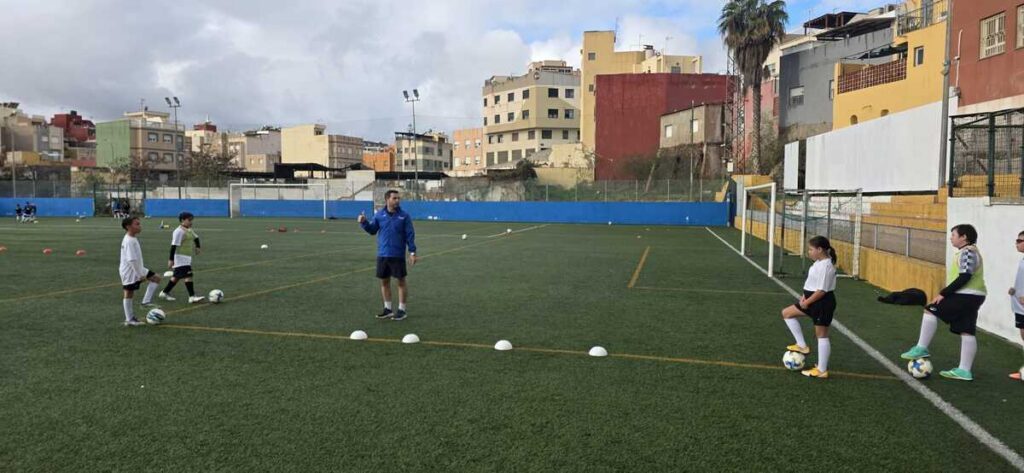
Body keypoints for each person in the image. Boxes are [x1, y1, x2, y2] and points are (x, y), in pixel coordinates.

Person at [901, 224, 987, 381]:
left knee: (930, 310)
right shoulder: (967, 252)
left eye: (953, 235)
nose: (951, 238)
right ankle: (964, 371)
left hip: (966, 295)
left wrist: (943, 293)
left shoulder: (968, 252)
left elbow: (965, 276)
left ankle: (921, 348)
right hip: (973, 295)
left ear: (964, 237)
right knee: (967, 330)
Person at [781, 236, 838, 379]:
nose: (809, 252)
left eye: (811, 249)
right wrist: (803, 296)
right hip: (811, 300)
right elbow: (811, 283)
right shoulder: (818, 263)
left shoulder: (826, 265)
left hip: (821, 303)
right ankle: (801, 345)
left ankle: (821, 370)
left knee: (822, 335)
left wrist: (807, 302)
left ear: (820, 250)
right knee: (787, 313)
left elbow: (822, 290)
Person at [358, 189, 417, 321]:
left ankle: (402, 310)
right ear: (387, 199)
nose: (397, 201)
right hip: (383, 254)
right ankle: (388, 309)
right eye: (394, 198)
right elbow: (372, 230)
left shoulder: (404, 216)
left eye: (398, 198)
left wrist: (412, 252)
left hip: (398, 255)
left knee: (401, 282)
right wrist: (364, 223)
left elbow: (410, 235)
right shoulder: (379, 215)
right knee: (384, 282)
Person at [119, 216, 162, 326]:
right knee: (129, 293)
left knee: (156, 278)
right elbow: (131, 260)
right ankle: (129, 319)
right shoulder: (129, 241)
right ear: (128, 227)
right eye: (136, 224)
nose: (139, 226)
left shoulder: (132, 238)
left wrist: (141, 271)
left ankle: (145, 302)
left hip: (138, 268)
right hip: (130, 272)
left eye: (139, 223)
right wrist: (139, 275)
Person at [159, 212, 204, 303]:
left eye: (192, 220)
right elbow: (174, 246)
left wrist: (198, 247)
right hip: (180, 257)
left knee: (176, 277)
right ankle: (192, 297)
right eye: (189, 220)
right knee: (188, 275)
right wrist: (171, 259)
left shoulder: (189, 229)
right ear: (183, 220)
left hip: (186, 257)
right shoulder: (178, 231)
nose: (191, 222)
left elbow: (196, 237)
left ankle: (164, 293)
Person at [1009, 230, 1024, 380]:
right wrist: (1015, 289)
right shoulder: (1022, 260)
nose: (1016, 243)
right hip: (1020, 307)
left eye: (1020, 241)